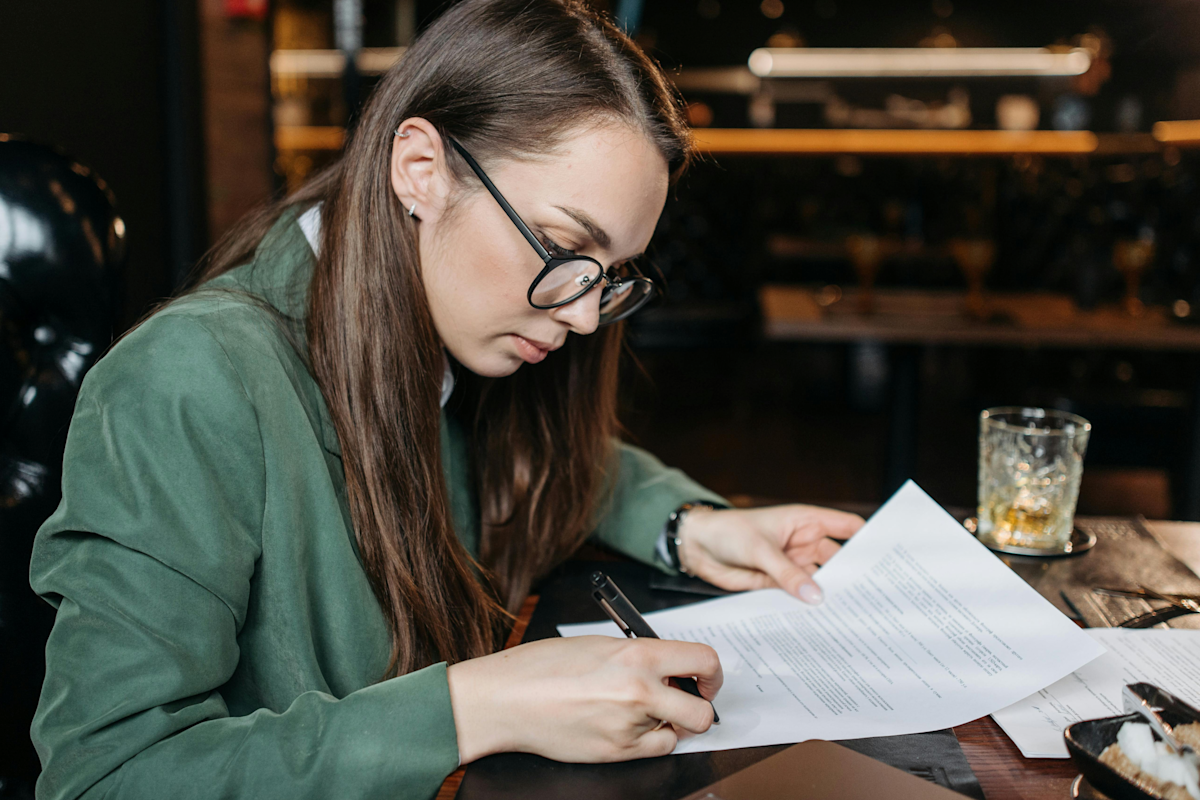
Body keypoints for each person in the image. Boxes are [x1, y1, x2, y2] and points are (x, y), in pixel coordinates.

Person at [28, 1, 863, 797]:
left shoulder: (453, 334)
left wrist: (689, 524)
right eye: (565, 248)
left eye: (609, 277)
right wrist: (477, 706)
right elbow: (106, 778)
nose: (580, 315)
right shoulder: (187, 380)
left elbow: (556, 459)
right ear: (420, 169)